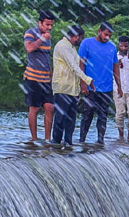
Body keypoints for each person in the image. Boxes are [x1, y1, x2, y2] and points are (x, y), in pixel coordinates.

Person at [50, 24, 91, 146]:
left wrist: (78, 89)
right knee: (60, 119)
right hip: (62, 88)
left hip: (72, 90)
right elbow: (74, 67)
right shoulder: (63, 46)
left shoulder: (72, 48)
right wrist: (88, 80)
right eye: (81, 38)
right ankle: (56, 143)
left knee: (71, 120)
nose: (81, 41)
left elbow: (75, 69)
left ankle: (68, 144)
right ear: (76, 36)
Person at [77, 22, 116, 144]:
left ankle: (100, 141)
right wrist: (83, 82)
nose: (107, 37)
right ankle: (82, 140)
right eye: (105, 34)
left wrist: (119, 85)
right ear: (99, 31)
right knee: (87, 114)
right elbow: (81, 63)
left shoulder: (112, 47)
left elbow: (115, 67)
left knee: (103, 116)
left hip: (107, 87)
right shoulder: (87, 43)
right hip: (91, 86)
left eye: (109, 35)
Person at [23, 10, 55, 142]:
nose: (49, 28)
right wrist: (42, 39)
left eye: (51, 25)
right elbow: (29, 48)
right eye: (47, 25)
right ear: (40, 23)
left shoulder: (48, 38)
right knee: (34, 109)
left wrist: (52, 76)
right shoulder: (31, 33)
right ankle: (34, 139)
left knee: (50, 107)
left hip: (46, 79)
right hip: (32, 78)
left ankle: (48, 139)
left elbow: (47, 58)